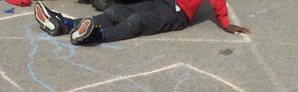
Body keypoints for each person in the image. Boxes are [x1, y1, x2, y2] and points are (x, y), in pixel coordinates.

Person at [32, 0, 249, 47]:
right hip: (162, 1)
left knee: (137, 21)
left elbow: (218, 2)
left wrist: (225, 22)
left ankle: (93, 36)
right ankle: (65, 24)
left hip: (178, 14)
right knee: (117, 11)